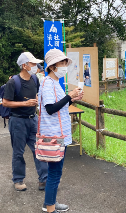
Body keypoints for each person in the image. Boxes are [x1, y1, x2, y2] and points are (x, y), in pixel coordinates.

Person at [39, 49, 84, 213]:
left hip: (59, 134)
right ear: (52, 66)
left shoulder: (54, 83)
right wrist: (69, 96)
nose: (65, 66)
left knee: (55, 172)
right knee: (55, 172)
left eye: (66, 63)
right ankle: (50, 208)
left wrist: (72, 98)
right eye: (62, 63)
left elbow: (59, 107)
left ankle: (49, 202)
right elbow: (50, 108)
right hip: (54, 135)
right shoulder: (47, 83)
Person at [2, 52, 48, 191]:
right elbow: (5, 102)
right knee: (18, 152)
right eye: (33, 64)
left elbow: (36, 94)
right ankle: (18, 180)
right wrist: (25, 104)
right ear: (24, 65)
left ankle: (44, 179)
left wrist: (35, 106)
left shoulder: (34, 79)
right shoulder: (13, 82)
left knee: (39, 149)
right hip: (17, 121)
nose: (36, 66)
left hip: (32, 119)